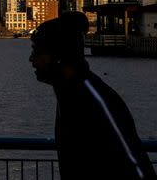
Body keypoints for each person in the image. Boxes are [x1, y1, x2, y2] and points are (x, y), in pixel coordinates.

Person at [30, 11, 155, 179]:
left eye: (38, 52)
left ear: (58, 57)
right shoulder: (68, 94)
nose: (32, 59)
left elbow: (136, 166)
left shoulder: (95, 101)